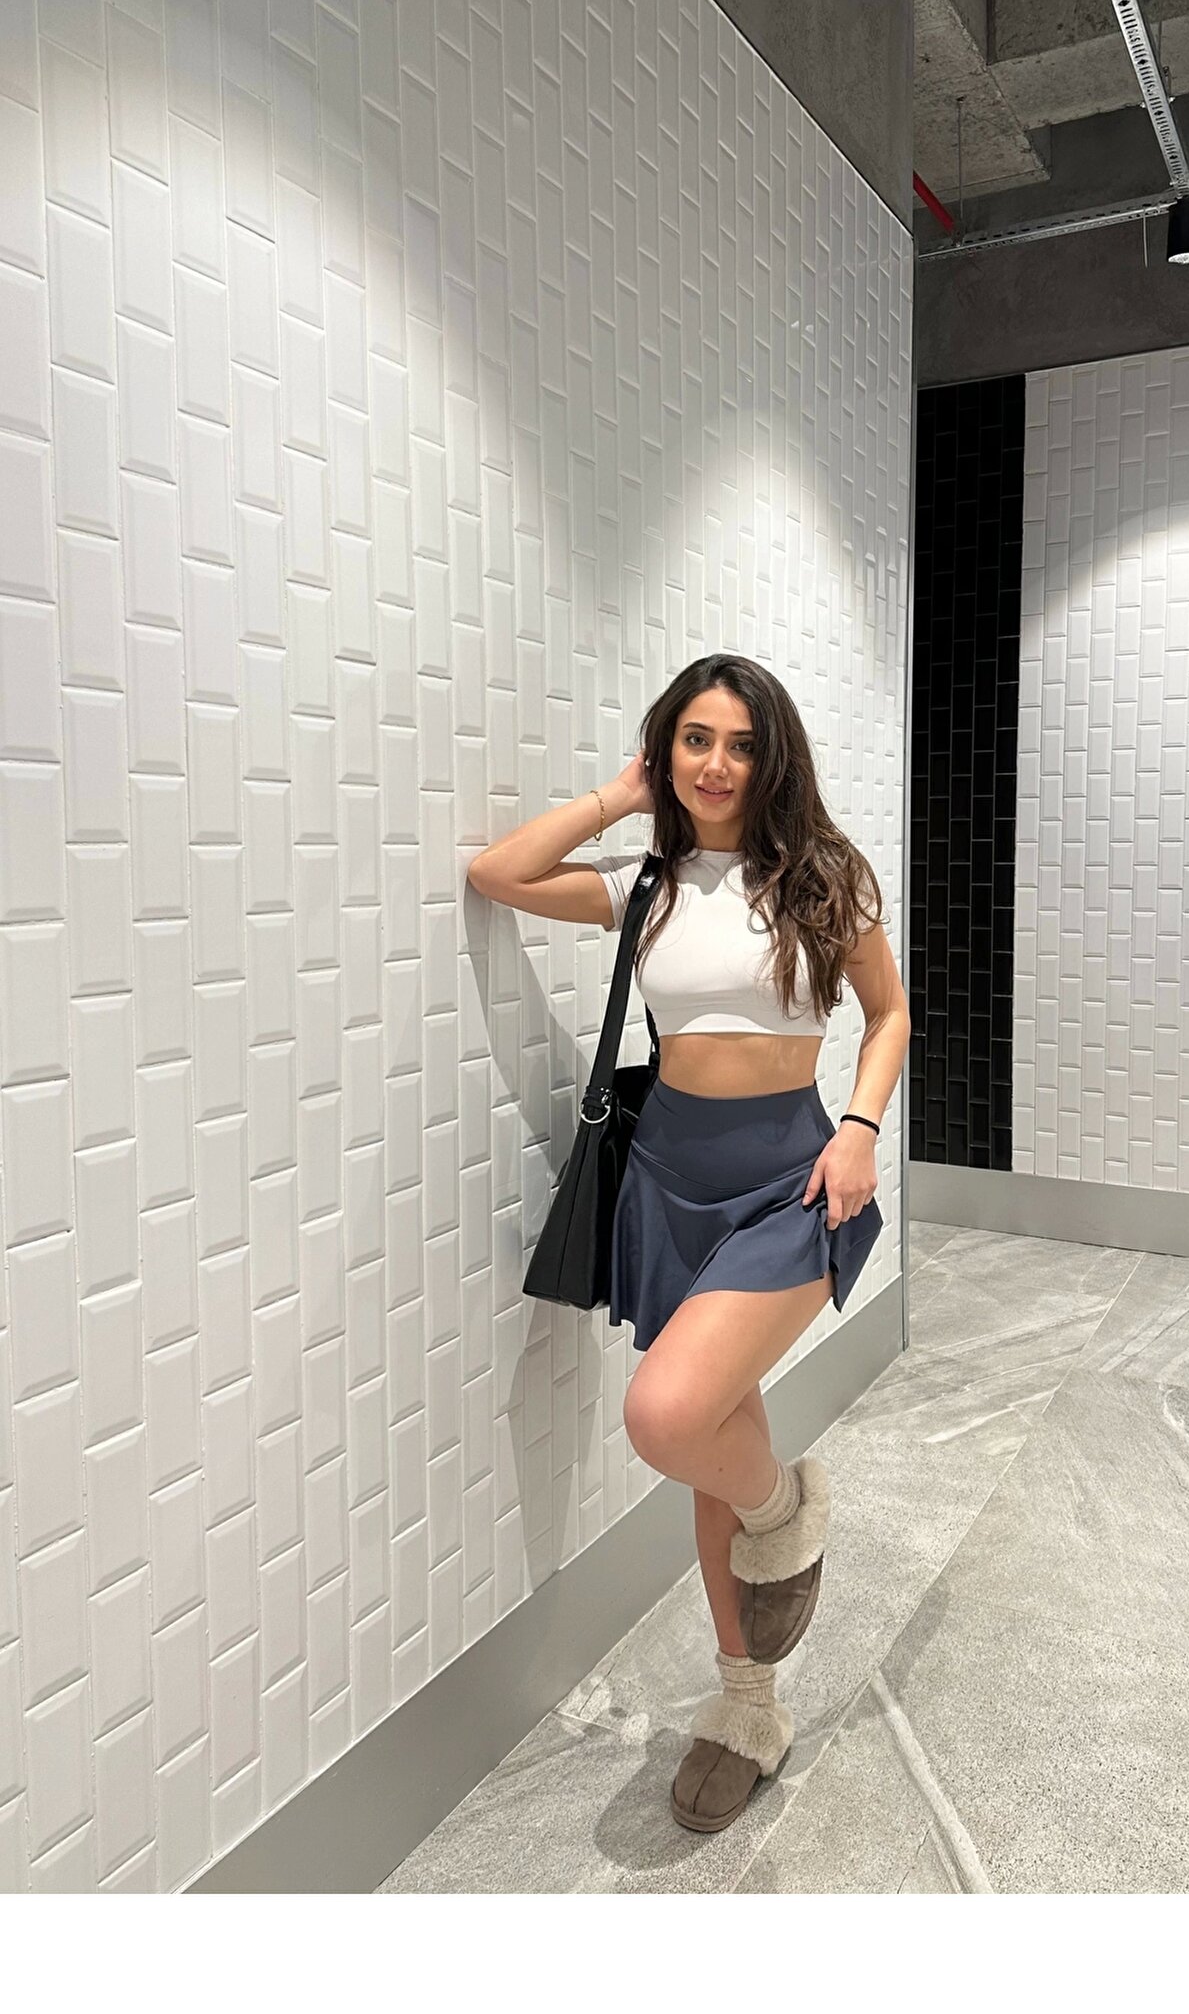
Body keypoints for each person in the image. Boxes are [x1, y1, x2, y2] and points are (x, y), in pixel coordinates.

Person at [467, 654, 910, 1834]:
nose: (718, 765)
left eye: (742, 744)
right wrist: (618, 800)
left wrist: (861, 1127)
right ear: (666, 749)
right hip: (669, 1184)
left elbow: (889, 1013)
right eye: (695, 740)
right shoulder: (645, 883)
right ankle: (746, 1705)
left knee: (668, 1417)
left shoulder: (825, 878)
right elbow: (499, 873)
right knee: (716, 1425)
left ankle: (784, 1509)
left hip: (791, 1183)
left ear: (775, 759)